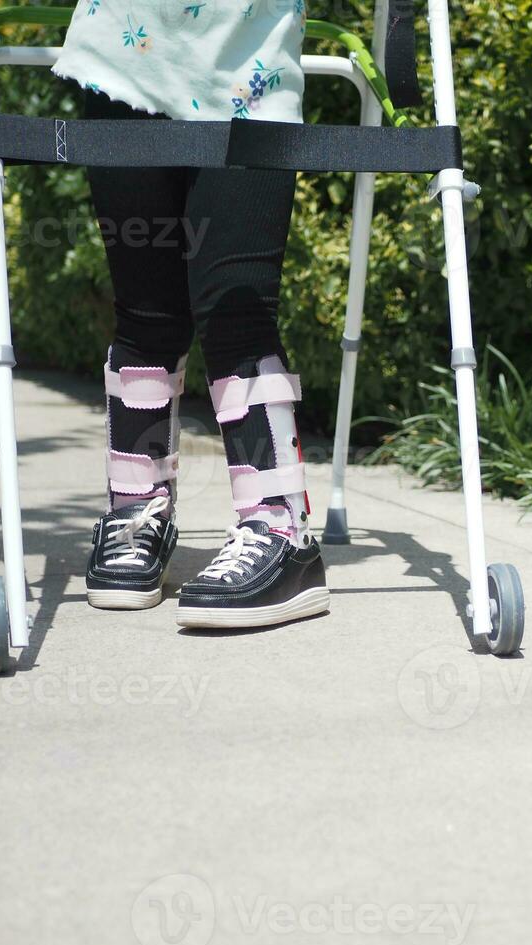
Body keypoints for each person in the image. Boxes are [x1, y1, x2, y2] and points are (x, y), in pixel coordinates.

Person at [49, 0, 329, 630]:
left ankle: (280, 529)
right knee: (146, 312)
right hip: (120, 57)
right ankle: (136, 508)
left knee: (237, 309)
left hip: (248, 64)